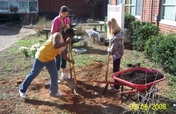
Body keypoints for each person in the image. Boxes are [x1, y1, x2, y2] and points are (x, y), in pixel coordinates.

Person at [19, 28, 75, 98]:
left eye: (71, 37)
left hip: (50, 59)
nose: (70, 38)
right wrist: (66, 43)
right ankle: (22, 90)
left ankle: (53, 92)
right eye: (70, 36)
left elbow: (63, 55)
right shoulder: (57, 35)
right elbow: (55, 45)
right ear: (66, 34)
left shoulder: (64, 44)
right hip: (41, 57)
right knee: (33, 74)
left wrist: (70, 60)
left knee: (54, 75)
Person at [50, 5, 70, 80]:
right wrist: (61, 32)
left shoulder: (67, 19)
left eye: (66, 14)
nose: (65, 15)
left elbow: (68, 30)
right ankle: (56, 76)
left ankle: (63, 73)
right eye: (63, 14)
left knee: (64, 57)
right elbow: (53, 32)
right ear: (60, 12)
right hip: (57, 41)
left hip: (64, 41)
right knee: (57, 58)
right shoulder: (56, 20)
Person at [106, 18, 124, 93]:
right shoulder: (117, 32)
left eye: (109, 26)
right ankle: (116, 84)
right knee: (116, 69)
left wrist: (109, 50)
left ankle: (116, 86)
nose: (109, 28)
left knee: (116, 70)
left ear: (113, 25)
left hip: (117, 54)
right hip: (117, 53)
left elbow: (114, 48)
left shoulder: (117, 36)